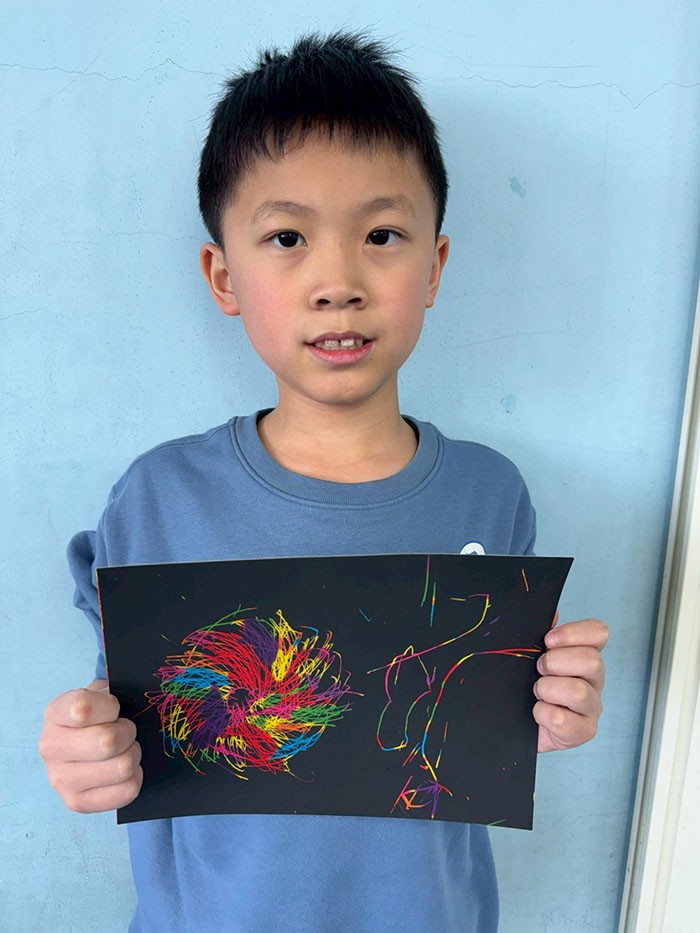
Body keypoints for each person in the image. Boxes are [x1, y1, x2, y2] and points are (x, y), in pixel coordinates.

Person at [39, 31, 608, 932]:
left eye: (381, 235)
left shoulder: (491, 495)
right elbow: (120, 713)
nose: (337, 281)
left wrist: (555, 713)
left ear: (435, 267)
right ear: (224, 275)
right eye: (287, 237)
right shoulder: (157, 498)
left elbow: (491, 723)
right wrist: (83, 746)